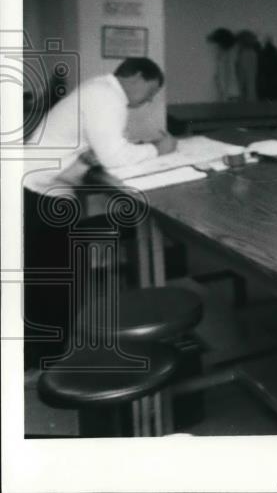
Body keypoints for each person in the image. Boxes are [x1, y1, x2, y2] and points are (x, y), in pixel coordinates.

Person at [22, 58, 176, 366]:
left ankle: (42, 356)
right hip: (39, 193)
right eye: (151, 90)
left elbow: (91, 147)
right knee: (59, 282)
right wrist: (161, 148)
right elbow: (116, 156)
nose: (150, 99)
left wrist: (99, 156)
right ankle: (47, 363)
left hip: (37, 188)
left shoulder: (97, 91)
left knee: (48, 280)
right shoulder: (108, 97)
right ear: (135, 76)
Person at [207, 27, 239, 101]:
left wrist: (223, 95)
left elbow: (226, 77)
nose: (214, 48)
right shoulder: (228, 55)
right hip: (230, 94)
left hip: (228, 95)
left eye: (216, 44)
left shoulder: (226, 58)